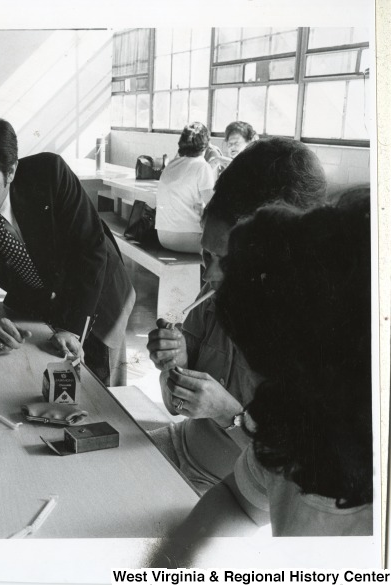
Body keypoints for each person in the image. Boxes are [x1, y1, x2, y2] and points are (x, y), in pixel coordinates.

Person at [150, 190, 372, 566]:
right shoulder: (296, 421)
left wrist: (232, 415)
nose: (211, 275)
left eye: (272, 373)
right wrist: (171, 561)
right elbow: (241, 498)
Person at [146, 137, 328, 493]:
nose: (211, 276)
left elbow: (299, 473)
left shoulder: (315, 331)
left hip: (237, 494)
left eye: (228, 263)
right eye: (206, 256)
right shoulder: (217, 291)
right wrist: (175, 364)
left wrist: (230, 414)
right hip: (178, 447)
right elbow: (175, 408)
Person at [0, 110, 135, 386]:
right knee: (42, 390)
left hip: (98, 293)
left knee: (102, 386)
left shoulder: (50, 174)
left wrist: (72, 329)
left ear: (11, 171)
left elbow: (91, 251)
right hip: (38, 305)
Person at [155, 122, 216, 253]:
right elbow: (214, 207)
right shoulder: (202, 167)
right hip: (189, 239)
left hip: (163, 237)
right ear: (207, 144)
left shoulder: (171, 164)